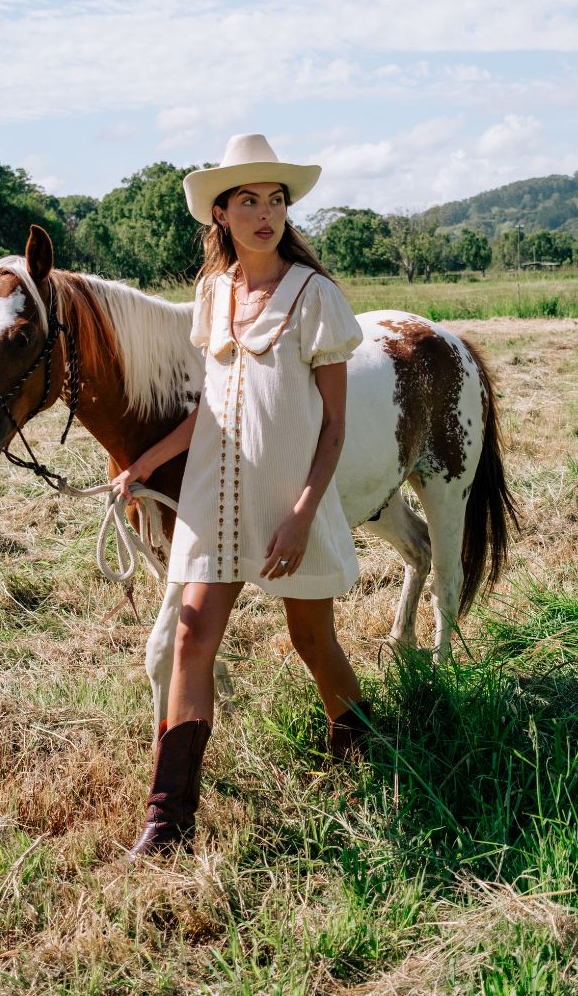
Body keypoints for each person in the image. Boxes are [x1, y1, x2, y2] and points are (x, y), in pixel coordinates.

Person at [113, 133, 370, 859]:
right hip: (211, 493)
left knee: (310, 640)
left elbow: (333, 429)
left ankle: (359, 745)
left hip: (286, 497)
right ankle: (167, 820)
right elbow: (208, 410)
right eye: (248, 201)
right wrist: (143, 463)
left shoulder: (314, 296)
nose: (265, 214)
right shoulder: (212, 294)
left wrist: (299, 515)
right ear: (219, 215)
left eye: (276, 200)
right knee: (192, 635)